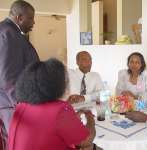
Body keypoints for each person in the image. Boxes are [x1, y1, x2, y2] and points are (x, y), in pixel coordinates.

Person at [8, 58, 96, 150]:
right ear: (56, 84)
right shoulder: (60, 110)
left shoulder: (22, 106)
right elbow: (86, 140)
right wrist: (90, 117)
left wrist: (72, 118)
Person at [0, 0, 39, 143]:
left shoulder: (6, 30)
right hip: (12, 105)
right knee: (19, 142)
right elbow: (8, 76)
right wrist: (21, 106)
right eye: (31, 18)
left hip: (8, 103)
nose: (33, 22)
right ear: (19, 17)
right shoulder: (9, 34)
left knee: (11, 141)